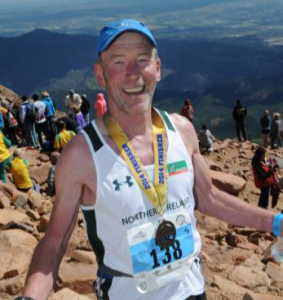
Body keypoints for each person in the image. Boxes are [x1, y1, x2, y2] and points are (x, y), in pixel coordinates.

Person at [19, 19, 283, 300]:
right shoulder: (82, 155)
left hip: (193, 291)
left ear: (157, 69)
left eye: (143, 60)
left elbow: (209, 198)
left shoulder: (181, 131)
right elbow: (54, 243)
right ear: (100, 74)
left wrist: (275, 222)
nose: (134, 74)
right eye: (118, 62)